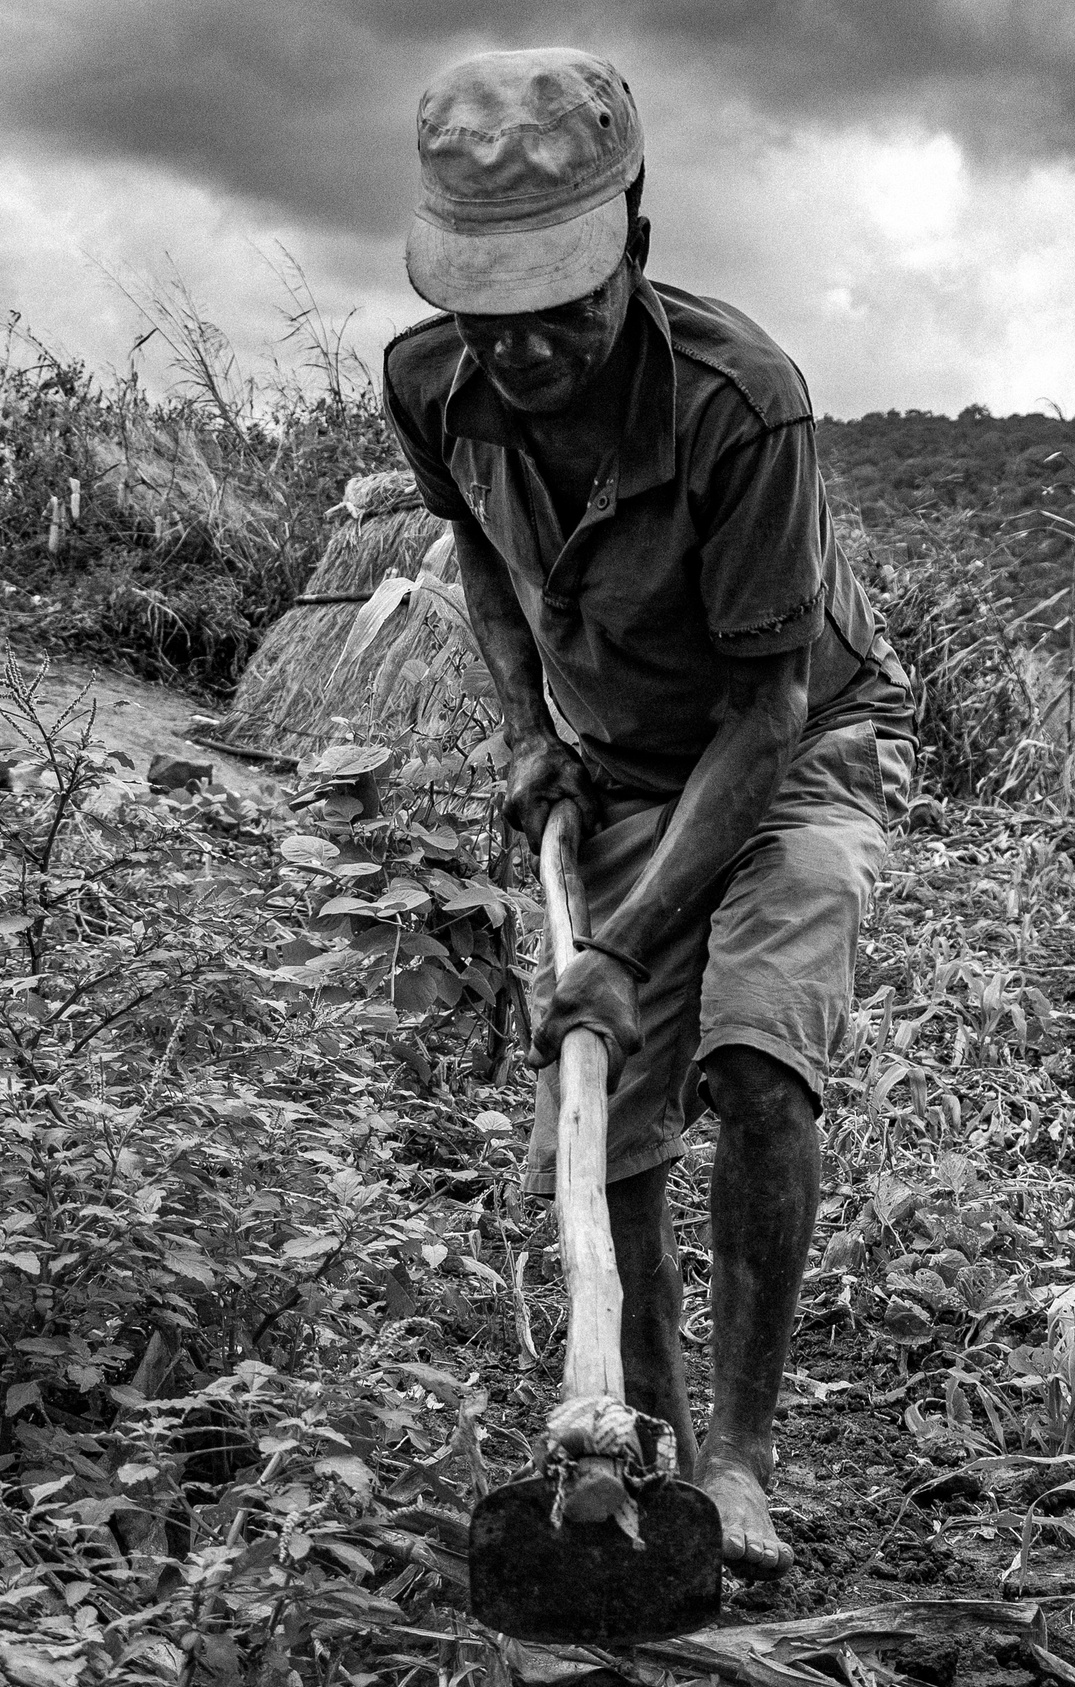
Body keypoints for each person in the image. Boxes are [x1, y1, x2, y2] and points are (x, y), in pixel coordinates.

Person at [383, 46, 914, 1577]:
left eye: (560, 305)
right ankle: (653, 1455)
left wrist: (620, 942)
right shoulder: (431, 383)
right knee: (601, 1112)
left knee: (756, 1057)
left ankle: (740, 1456)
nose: (524, 349)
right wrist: (525, 732)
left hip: (793, 744)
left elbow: (765, 711)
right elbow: (480, 552)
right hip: (616, 760)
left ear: (637, 242)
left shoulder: (744, 405)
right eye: (489, 310)